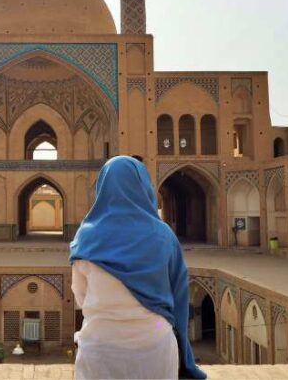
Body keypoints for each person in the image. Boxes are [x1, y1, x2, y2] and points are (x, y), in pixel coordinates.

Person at [70, 156, 206, 380]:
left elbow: (81, 296)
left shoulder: (86, 236)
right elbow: (179, 296)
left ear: (103, 188)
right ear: (144, 186)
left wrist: (110, 310)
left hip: (100, 347)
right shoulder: (163, 236)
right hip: (154, 347)